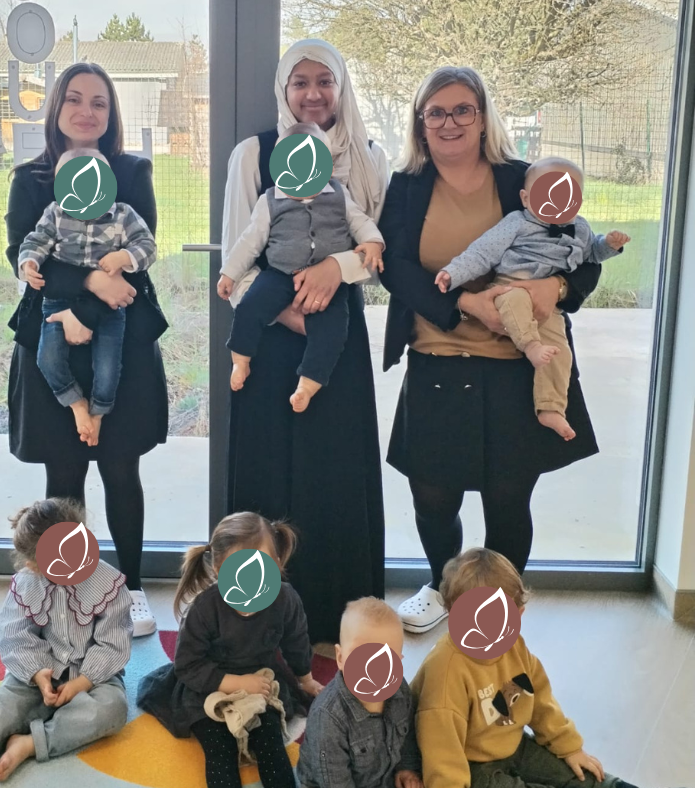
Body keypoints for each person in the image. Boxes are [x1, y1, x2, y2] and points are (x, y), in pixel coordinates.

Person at [379, 67, 601, 634]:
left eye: (463, 109)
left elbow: (585, 255)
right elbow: (394, 269)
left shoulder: (521, 179)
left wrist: (557, 288)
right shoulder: (406, 186)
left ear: (482, 118)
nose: (449, 122)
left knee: (507, 499)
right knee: (433, 496)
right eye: (436, 112)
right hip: (436, 356)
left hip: (517, 365)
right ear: (420, 124)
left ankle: (499, 603)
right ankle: (442, 584)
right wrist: (463, 305)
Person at [223, 38, 389, 644]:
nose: (313, 93)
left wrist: (331, 273)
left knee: (334, 472)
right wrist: (285, 311)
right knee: (268, 471)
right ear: (283, 89)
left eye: (325, 81)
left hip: (336, 333)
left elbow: (377, 251)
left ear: (341, 86)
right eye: (301, 81)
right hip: (269, 335)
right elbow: (238, 245)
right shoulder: (254, 154)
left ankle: (333, 614)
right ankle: (258, 617)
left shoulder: (368, 157)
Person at [5, 62, 169, 636]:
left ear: (111, 113)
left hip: (121, 340)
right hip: (50, 338)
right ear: (56, 109)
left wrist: (93, 304)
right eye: (74, 99)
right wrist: (88, 284)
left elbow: (138, 260)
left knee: (122, 470)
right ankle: (67, 589)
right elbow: (24, 258)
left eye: (99, 102)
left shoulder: (132, 172)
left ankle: (135, 587)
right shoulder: (30, 179)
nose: (86, 111)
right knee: (64, 475)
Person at [0, 498, 131, 787]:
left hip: (94, 677)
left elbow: (113, 642)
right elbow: (15, 636)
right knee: (0, 706)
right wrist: (39, 675)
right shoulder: (26, 584)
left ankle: (31, 743)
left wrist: (81, 683)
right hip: (35, 675)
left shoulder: (108, 584)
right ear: (33, 566)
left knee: (112, 709)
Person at [435, 156, 629, 440]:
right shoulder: (516, 223)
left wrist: (609, 245)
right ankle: (530, 345)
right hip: (510, 287)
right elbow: (482, 252)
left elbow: (591, 256)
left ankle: (551, 408)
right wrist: (452, 273)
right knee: (517, 304)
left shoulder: (581, 228)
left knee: (560, 352)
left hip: (549, 306)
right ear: (526, 198)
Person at [412, 548, 640, 788]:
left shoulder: (515, 648)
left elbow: (541, 702)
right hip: (470, 765)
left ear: (518, 616)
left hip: (515, 746)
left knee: (577, 774)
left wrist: (569, 747)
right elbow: (441, 751)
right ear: (451, 614)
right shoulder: (445, 671)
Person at [137, 512, 324, 788]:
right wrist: (236, 683)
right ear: (218, 570)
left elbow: (296, 641)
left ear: (275, 564)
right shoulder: (204, 609)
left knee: (270, 742)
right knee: (220, 748)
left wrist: (305, 679)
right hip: (207, 686)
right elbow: (188, 665)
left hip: (261, 681)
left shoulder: (285, 599)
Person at [218, 121, 384, 412]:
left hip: (330, 287)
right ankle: (240, 359)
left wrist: (373, 242)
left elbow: (361, 222)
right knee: (249, 307)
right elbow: (249, 242)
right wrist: (229, 273)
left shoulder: (339, 195)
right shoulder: (270, 200)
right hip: (279, 274)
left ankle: (309, 382)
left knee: (334, 329)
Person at [19, 147, 158, 446]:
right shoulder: (55, 213)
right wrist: (28, 262)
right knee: (48, 358)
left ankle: (99, 413)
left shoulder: (123, 215)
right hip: (58, 302)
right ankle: (76, 404)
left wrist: (124, 257)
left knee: (108, 367)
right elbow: (36, 240)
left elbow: (147, 246)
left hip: (109, 307)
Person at [296, 597, 423, 788]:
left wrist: (407, 767)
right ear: (340, 658)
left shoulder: (400, 691)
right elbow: (333, 781)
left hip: (383, 774)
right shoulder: (328, 719)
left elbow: (408, 734)